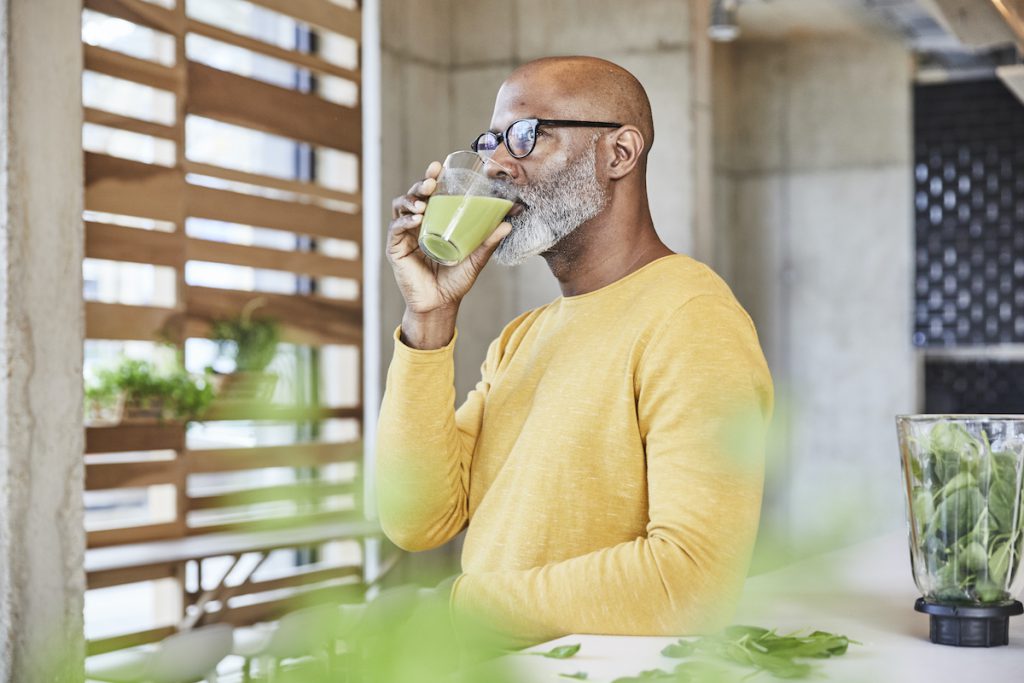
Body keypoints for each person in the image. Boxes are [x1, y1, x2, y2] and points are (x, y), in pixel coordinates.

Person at [376, 55, 774, 649]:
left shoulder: (692, 319)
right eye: (490, 142)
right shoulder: (521, 339)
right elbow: (416, 519)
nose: (495, 166)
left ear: (619, 153)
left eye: (526, 136)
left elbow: (691, 583)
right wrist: (429, 317)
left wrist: (462, 607)